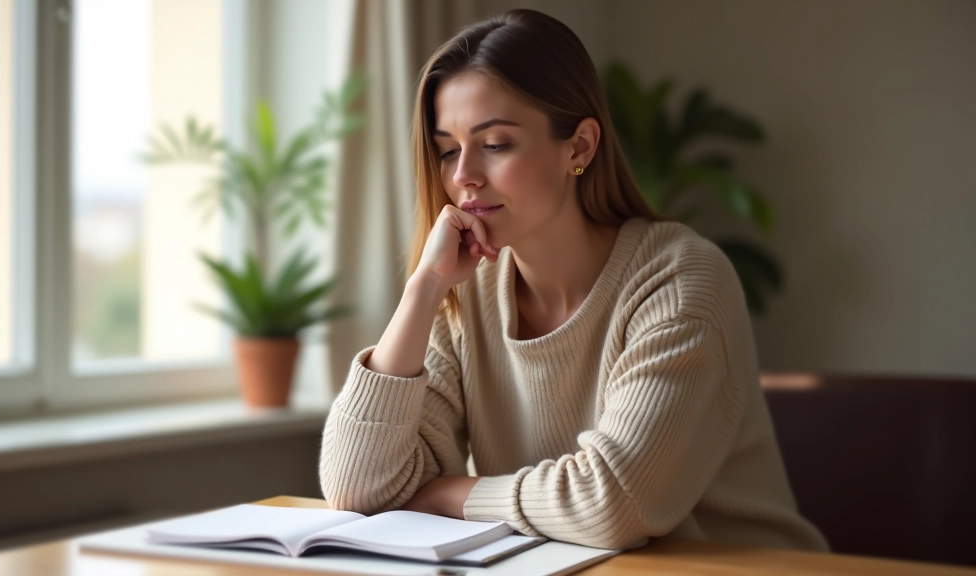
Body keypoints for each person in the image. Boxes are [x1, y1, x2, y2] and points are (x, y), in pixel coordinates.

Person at [319, 8, 828, 552]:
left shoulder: (680, 283)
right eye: (447, 150)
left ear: (579, 147)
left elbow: (611, 504)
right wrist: (423, 290)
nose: (463, 174)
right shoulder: (467, 291)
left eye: (494, 144)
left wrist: (446, 496)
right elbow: (358, 487)